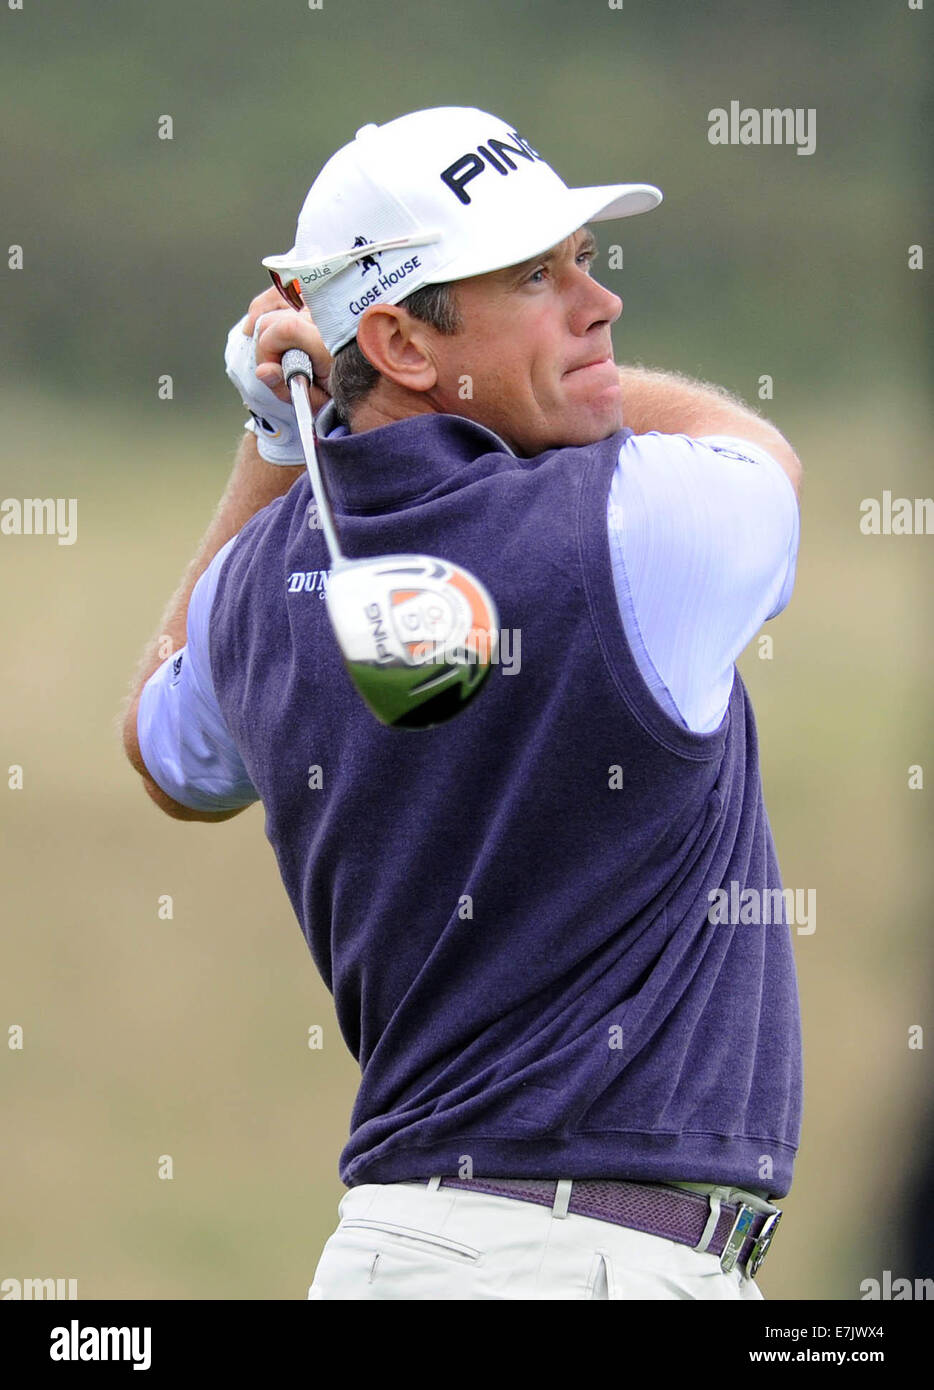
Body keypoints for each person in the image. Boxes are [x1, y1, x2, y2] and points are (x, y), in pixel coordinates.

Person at [121, 106, 803, 1300]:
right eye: (536, 278)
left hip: (390, 1250)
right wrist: (563, 390)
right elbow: (759, 456)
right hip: (588, 1264)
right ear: (401, 340)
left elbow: (165, 751)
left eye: (584, 263)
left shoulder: (253, 586)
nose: (600, 307)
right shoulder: (632, 526)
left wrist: (280, 431)